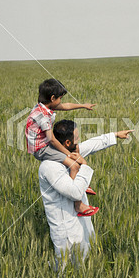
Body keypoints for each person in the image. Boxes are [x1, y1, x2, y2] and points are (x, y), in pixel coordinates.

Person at [38, 119, 133, 271]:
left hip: (80, 222)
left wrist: (115, 135)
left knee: (84, 265)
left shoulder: (69, 153)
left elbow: (91, 144)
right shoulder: (50, 166)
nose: (79, 141)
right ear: (68, 142)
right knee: (64, 268)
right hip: (65, 227)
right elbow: (75, 192)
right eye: (77, 138)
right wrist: (85, 167)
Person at [25, 78, 98, 216]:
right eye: (60, 98)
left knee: (75, 149)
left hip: (44, 144)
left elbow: (66, 106)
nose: (61, 101)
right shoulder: (43, 116)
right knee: (74, 165)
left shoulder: (44, 106)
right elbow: (51, 139)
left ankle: (81, 185)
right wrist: (67, 154)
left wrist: (83, 105)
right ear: (52, 98)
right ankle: (77, 204)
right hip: (41, 149)